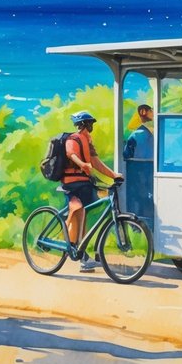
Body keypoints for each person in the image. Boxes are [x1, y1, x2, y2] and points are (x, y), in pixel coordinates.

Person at [63, 111, 124, 272]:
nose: (92, 126)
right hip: (71, 183)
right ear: (82, 124)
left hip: (84, 182)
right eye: (89, 123)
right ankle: (73, 248)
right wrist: (82, 164)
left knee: (83, 216)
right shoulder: (73, 139)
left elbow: (96, 162)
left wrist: (113, 175)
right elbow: (71, 153)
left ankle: (81, 254)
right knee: (77, 210)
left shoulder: (87, 140)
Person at [122, 103, 155, 223]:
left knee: (137, 197)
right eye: (151, 110)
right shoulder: (149, 134)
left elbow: (126, 154)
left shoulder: (135, 135)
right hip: (149, 169)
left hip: (136, 171)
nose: (153, 113)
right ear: (143, 112)